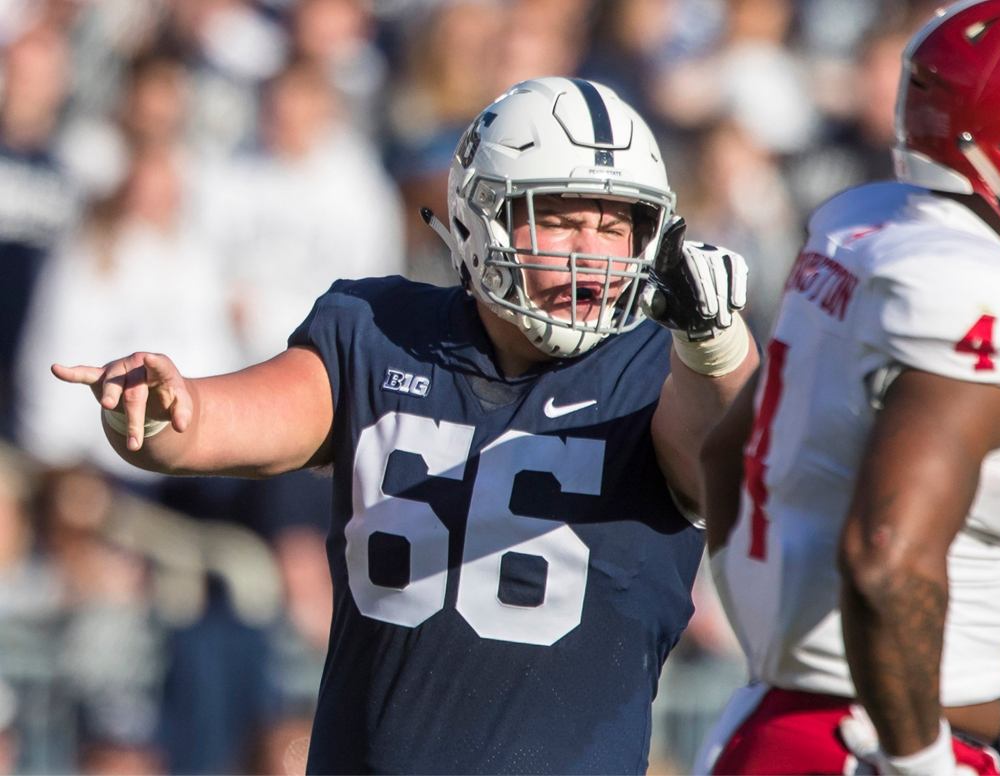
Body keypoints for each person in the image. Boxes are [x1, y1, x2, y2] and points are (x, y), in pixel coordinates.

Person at [53, 76, 757, 773]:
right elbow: (220, 423)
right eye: (564, 218)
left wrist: (716, 343)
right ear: (484, 215)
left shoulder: (659, 372)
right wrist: (164, 409)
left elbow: (732, 450)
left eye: (614, 226)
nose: (591, 255)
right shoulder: (380, 331)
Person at [697, 2, 1000, 773]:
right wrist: (920, 760)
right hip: (878, 741)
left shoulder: (875, 233)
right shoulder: (975, 292)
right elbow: (887, 557)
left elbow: (725, 456)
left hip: (777, 719)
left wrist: (782, 647)